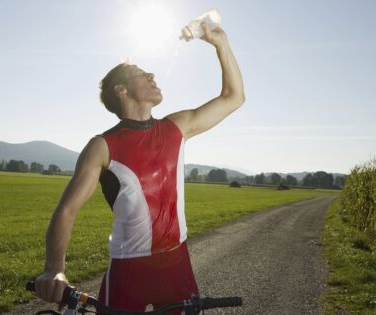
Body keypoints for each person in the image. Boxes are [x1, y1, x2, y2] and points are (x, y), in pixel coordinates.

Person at [34, 23, 245, 313]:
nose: (151, 75)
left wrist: (222, 44)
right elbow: (67, 210)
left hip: (178, 267)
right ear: (120, 90)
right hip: (128, 273)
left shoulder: (177, 127)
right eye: (140, 73)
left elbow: (233, 97)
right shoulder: (102, 146)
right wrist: (54, 269)